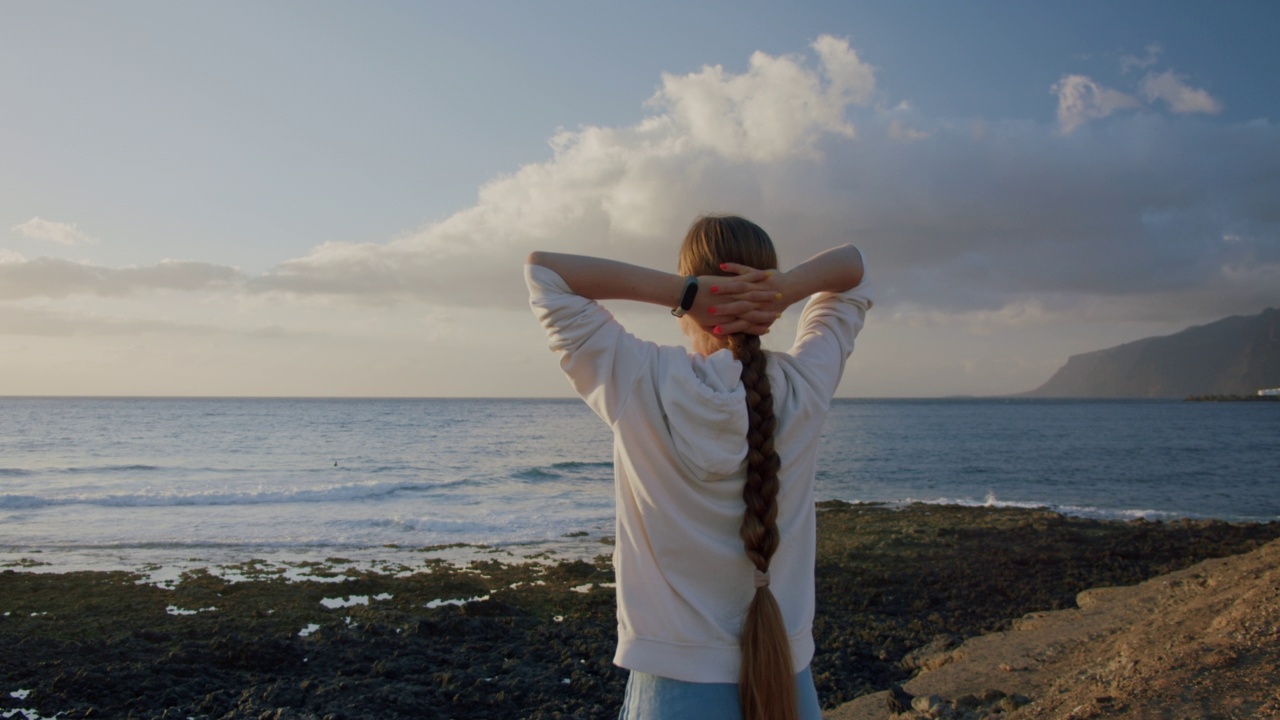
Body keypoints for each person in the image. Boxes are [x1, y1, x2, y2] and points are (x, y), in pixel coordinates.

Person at [526, 215, 871, 720]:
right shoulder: (804, 386)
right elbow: (856, 270)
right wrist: (789, 288)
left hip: (675, 689)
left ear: (692, 301)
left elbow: (544, 273)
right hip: (787, 680)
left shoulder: (641, 379)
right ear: (768, 297)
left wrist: (683, 291)